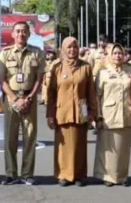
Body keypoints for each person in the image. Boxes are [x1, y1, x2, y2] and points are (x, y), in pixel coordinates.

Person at [0, 21, 45, 186]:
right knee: (10, 138)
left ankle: (27, 174)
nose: (21, 34)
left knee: (30, 137)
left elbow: (39, 78)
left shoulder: (36, 53)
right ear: (12, 34)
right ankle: (11, 173)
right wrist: (15, 99)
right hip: (11, 100)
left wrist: (29, 97)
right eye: (17, 31)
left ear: (29, 34)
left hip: (30, 99)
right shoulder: (5, 53)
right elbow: (2, 80)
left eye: (24, 31)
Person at [46, 37, 96, 187]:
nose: (72, 50)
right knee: (63, 146)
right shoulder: (57, 67)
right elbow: (51, 93)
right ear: (63, 49)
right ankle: (63, 175)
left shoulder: (86, 67)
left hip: (81, 109)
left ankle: (80, 175)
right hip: (62, 110)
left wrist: (93, 111)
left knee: (80, 144)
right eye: (68, 47)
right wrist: (49, 114)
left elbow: (91, 92)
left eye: (74, 47)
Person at [93, 43, 131, 187]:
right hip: (108, 114)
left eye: (120, 53)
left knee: (124, 148)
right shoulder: (103, 72)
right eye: (115, 53)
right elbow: (97, 96)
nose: (118, 56)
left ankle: (122, 176)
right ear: (110, 55)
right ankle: (107, 176)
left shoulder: (130, 70)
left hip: (126, 113)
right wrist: (97, 116)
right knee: (108, 147)